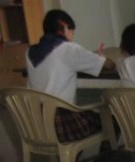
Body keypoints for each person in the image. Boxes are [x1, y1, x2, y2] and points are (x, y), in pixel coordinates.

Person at [26, 9, 115, 143]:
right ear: (64, 27)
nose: (73, 34)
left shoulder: (29, 52)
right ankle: (106, 156)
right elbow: (109, 65)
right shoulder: (68, 49)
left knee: (91, 116)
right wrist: (102, 58)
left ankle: (71, 155)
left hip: (35, 124)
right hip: (61, 123)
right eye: (72, 29)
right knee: (113, 121)